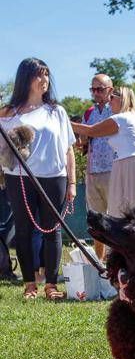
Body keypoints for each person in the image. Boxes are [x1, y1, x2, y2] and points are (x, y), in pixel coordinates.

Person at [0, 57, 76, 300]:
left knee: (52, 231)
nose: (44, 80)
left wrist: (72, 183)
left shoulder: (57, 111)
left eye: (46, 75)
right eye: (38, 75)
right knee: (23, 230)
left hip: (54, 176)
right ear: (25, 79)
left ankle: (51, 285)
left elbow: (69, 149)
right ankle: (30, 285)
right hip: (19, 177)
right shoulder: (9, 113)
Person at [72, 87, 135, 218]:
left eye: (112, 98)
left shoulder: (121, 119)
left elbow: (92, 131)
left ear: (123, 99)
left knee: (128, 215)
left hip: (130, 167)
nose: (109, 101)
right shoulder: (133, 118)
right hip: (129, 166)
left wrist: (65, 122)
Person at [80, 74, 115, 260]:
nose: (95, 93)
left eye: (99, 89)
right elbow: (84, 139)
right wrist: (82, 139)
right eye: (92, 89)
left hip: (113, 169)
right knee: (96, 219)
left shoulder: (117, 110)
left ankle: (116, 260)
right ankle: (99, 262)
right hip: (93, 170)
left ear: (110, 89)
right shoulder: (89, 113)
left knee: (114, 217)